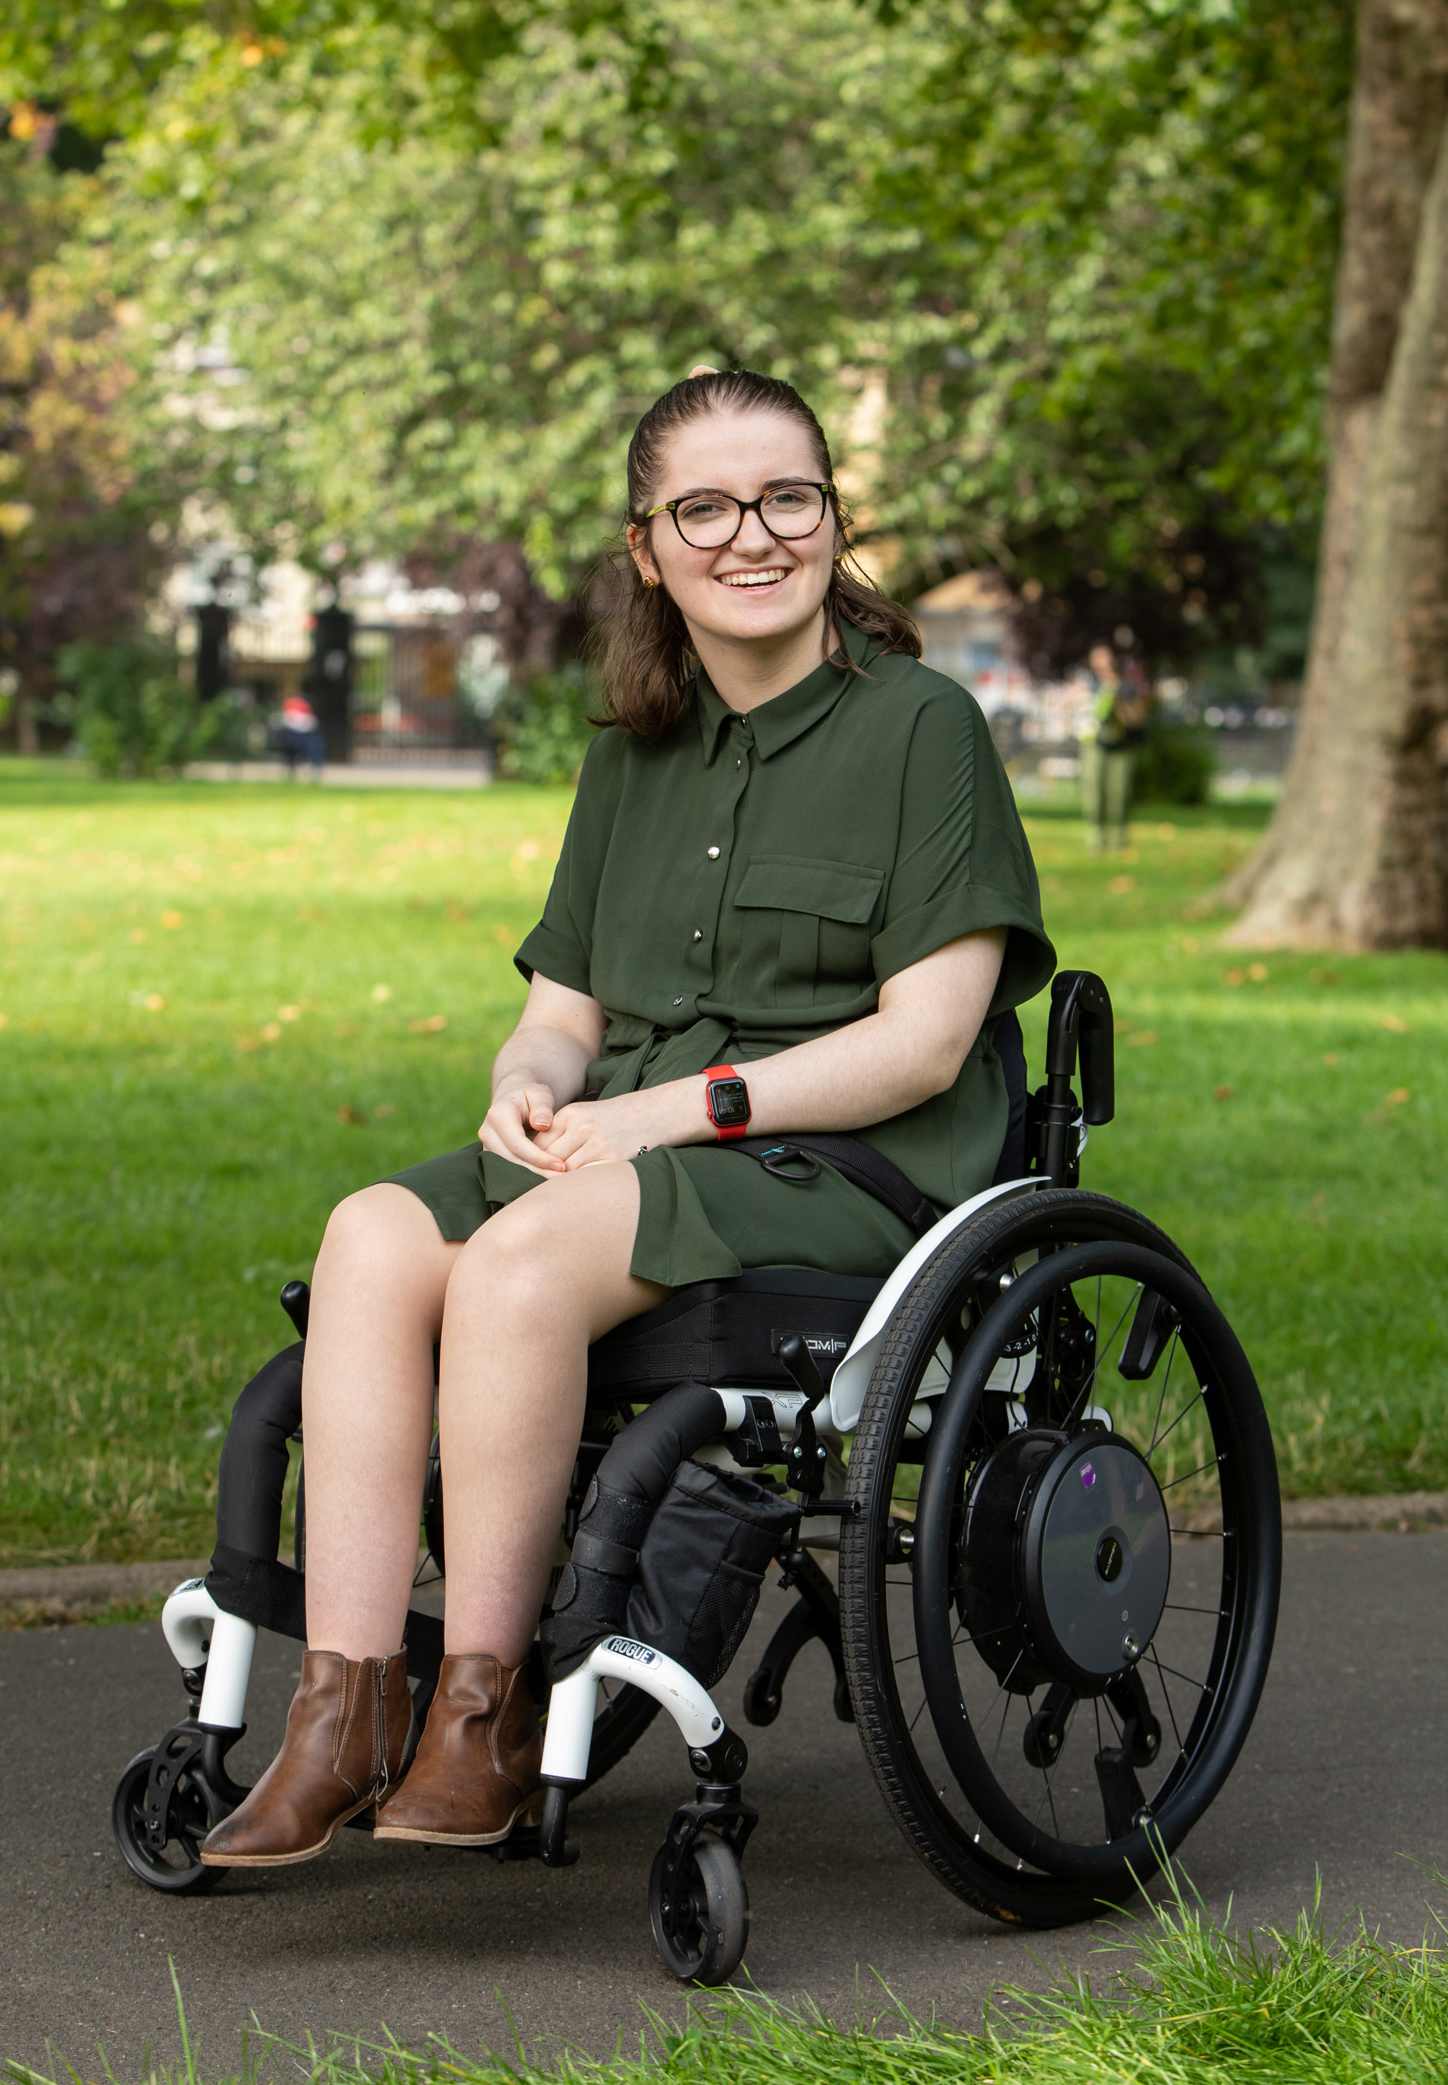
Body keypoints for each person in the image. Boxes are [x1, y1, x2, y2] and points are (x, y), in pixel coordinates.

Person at [201, 368, 1054, 1871]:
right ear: (648, 548)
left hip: (845, 1165)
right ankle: (340, 1715)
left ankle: (482, 1717)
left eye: (789, 498)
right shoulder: (628, 755)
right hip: (626, 1141)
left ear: (834, 520)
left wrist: (674, 1111)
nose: (753, 536)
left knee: (521, 1268)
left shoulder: (925, 730)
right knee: (374, 1238)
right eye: (705, 509)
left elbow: (926, 1046)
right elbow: (566, 1006)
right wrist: (527, 1077)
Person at [1079, 641, 1148, 854]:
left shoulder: (1126, 686)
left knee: (1119, 794)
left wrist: (1118, 700)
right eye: (1097, 657)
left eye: (1105, 656)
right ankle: (1096, 836)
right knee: (1094, 793)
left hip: (1121, 746)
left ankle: (1119, 836)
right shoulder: (1087, 686)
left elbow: (1138, 719)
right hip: (1095, 746)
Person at [271, 692, 326, 778]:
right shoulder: (283, 717)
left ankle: (315, 770)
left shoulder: (308, 718)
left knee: (316, 745)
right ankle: (291, 771)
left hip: (304, 741)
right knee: (290, 752)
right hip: (291, 743)